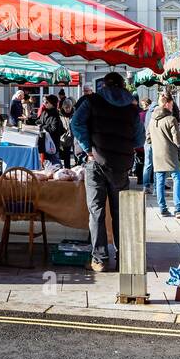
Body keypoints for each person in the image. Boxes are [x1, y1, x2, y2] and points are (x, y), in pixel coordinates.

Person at [71, 72, 143, 272]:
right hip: (121, 165)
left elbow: (75, 124)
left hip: (96, 162)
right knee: (121, 213)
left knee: (97, 212)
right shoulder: (131, 109)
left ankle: (100, 259)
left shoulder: (91, 101)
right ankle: (123, 258)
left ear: (104, 85)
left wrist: (88, 148)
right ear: (123, 87)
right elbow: (139, 139)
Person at [148, 93, 180, 218]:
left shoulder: (152, 120)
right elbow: (177, 140)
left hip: (157, 154)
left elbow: (148, 139)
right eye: (171, 104)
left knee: (160, 180)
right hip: (170, 154)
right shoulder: (171, 119)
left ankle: (163, 208)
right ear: (167, 103)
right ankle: (178, 208)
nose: (172, 106)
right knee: (177, 178)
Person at [36, 98, 67, 167]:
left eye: (47, 102)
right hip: (44, 140)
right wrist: (37, 122)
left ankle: (61, 174)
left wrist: (43, 126)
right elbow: (39, 121)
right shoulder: (44, 112)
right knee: (47, 162)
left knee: (55, 161)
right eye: (44, 101)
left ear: (52, 104)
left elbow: (54, 129)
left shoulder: (55, 114)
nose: (44, 103)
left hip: (52, 141)